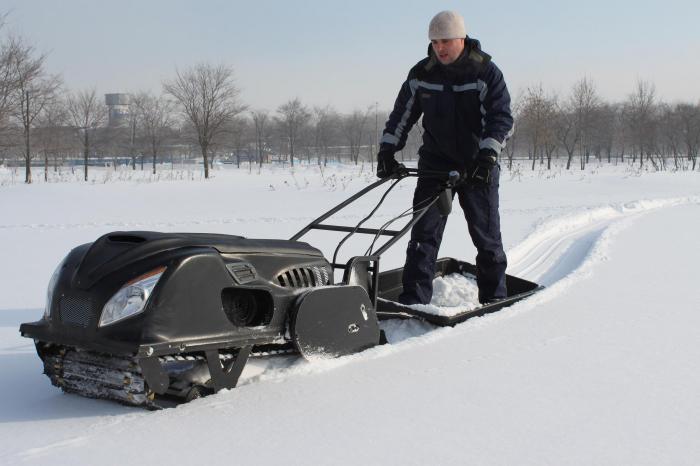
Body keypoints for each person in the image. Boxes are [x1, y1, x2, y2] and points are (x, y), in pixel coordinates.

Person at [376, 10, 513, 306]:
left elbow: (501, 118)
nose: (440, 48)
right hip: (435, 166)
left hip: (478, 166)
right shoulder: (422, 73)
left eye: (446, 41)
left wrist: (488, 155)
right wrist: (387, 150)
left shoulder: (485, 72)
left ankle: (494, 301)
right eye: (435, 42)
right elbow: (402, 115)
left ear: (461, 38)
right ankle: (414, 301)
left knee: (486, 238)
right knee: (423, 237)